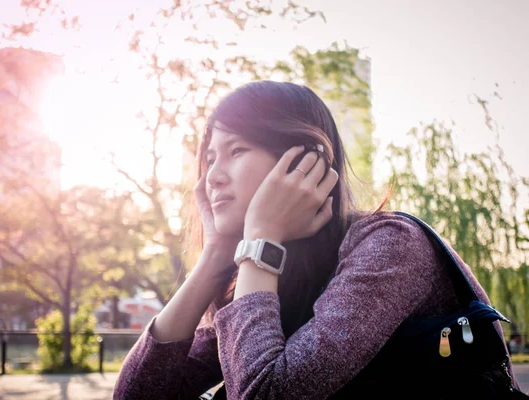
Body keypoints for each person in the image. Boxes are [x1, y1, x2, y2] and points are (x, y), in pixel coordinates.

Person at [113, 81, 520, 399]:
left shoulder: (390, 246)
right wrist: (216, 255)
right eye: (211, 157)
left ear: (305, 161)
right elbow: (139, 394)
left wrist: (260, 243)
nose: (213, 176)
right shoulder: (262, 275)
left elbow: (265, 395)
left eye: (236, 150)